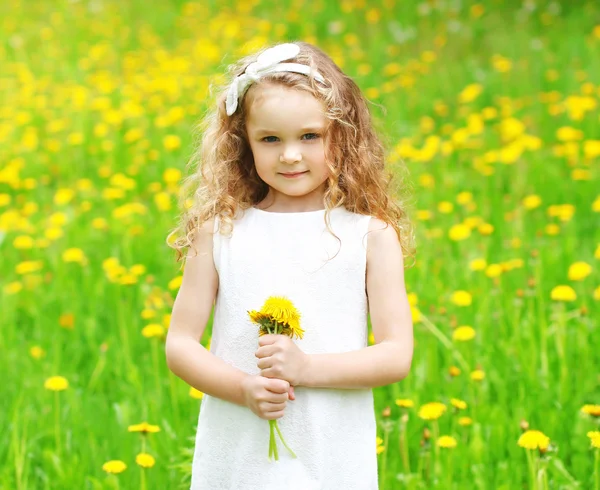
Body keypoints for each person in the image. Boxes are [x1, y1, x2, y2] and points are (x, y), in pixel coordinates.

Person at [165, 41, 415, 490]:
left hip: (330, 446)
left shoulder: (370, 236)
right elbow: (181, 344)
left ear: (343, 135)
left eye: (310, 136)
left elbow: (396, 355)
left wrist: (306, 369)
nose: (290, 155)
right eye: (270, 139)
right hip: (238, 444)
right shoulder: (220, 232)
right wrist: (242, 388)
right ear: (245, 143)